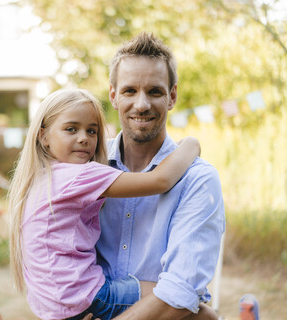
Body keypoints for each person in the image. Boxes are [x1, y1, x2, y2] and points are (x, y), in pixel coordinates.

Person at [8, 88, 202, 320]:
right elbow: (160, 180)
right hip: (86, 297)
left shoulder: (40, 178)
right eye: (71, 129)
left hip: (52, 306)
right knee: (188, 303)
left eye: (92, 131)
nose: (84, 138)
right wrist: (191, 144)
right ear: (44, 136)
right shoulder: (79, 175)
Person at [95, 32, 225, 320]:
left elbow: (178, 295)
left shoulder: (197, 180)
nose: (141, 105)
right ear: (114, 95)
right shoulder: (87, 167)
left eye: (154, 91)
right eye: (130, 90)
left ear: (172, 96)